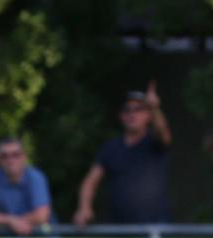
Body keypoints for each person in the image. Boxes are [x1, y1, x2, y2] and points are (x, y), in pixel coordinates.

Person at [73, 81, 172, 225]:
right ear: (121, 116)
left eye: (139, 109)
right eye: (127, 109)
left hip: (155, 228)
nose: (132, 114)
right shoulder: (110, 148)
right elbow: (90, 181)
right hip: (120, 229)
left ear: (148, 116)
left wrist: (155, 108)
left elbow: (164, 134)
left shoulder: (154, 142)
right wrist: (84, 208)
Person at [0, 137, 53, 236]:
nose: (10, 160)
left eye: (15, 155)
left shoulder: (36, 177)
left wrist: (15, 222)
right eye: (4, 156)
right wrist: (11, 221)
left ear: (24, 157)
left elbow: (42, 215)